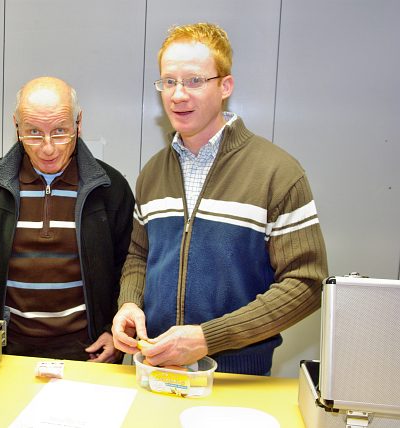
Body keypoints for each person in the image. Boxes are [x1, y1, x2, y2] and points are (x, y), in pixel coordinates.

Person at [111, 23, 328, 375]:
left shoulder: (277, 172)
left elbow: (306, 284)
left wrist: (207, 338)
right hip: (153, 368)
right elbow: (139, 255)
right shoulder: (152, 172)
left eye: (194, 81)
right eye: (169, 81)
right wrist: (129, 304)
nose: (178, 95)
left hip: (236, 377)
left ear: (225, 86)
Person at [0, 76, 134, 363]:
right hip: (4, 352)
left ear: (79, 123)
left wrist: (112, 329)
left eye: (60, 131)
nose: (47, 148)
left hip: (86, 353)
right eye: (34, 133)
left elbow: (130, 268)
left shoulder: (108, 187)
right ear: (16, 127)